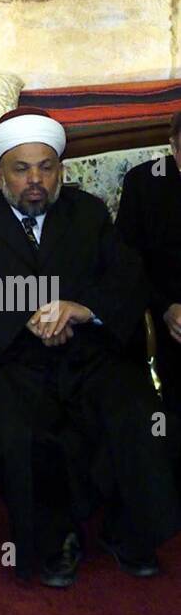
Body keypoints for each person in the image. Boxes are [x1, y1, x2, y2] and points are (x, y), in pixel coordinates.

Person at [0, 107, 180, 587]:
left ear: (60, 169)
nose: (35, 180)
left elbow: (129, 277)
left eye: (46, 167)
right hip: (5, 359)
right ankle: (53, 537)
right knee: (17, 431)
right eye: (22, 170)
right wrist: (34, 311)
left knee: (138, 413)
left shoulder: (87, 212)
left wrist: (81, 309)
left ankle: (126, 530)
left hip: (88, 354)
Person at [115, 113, 181, 423]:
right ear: (172, 145)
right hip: (161, 314)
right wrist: (166, 308)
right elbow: (126, 263)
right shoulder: (145, 183)